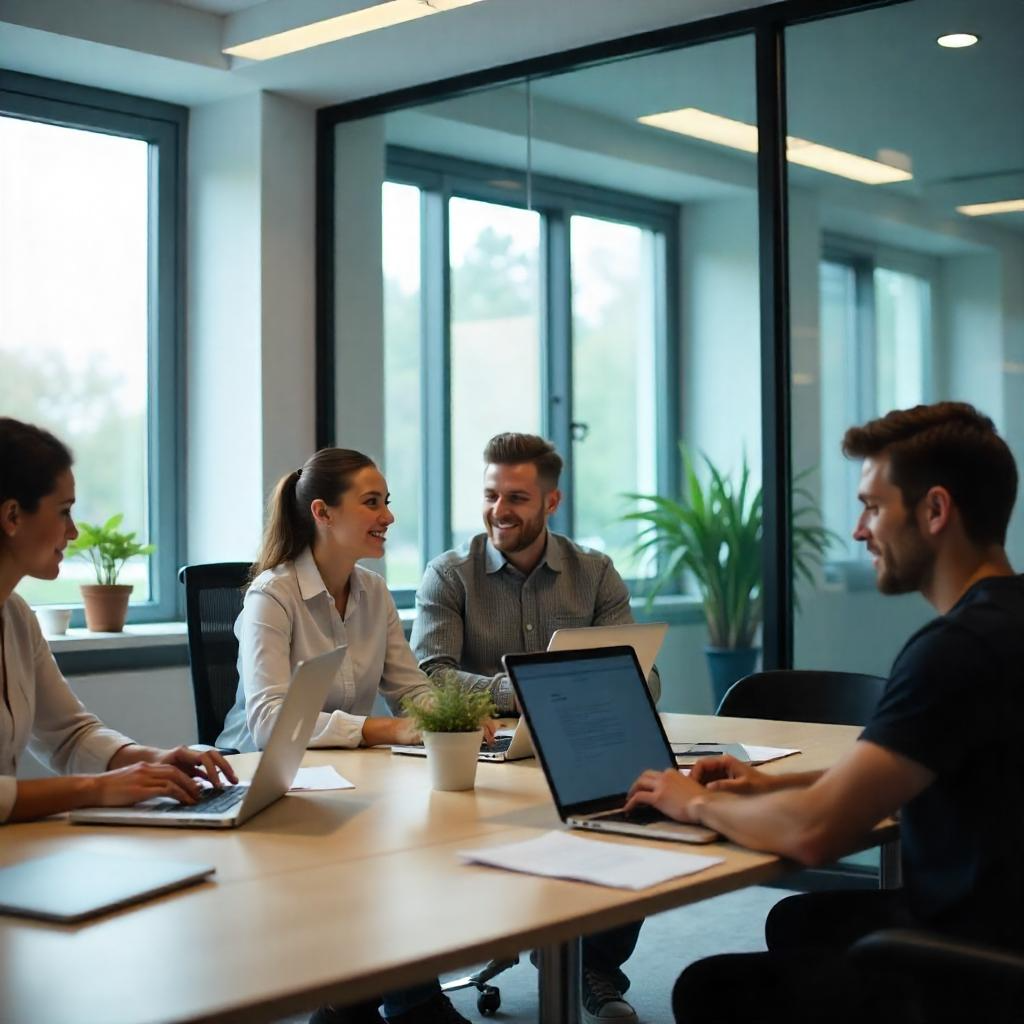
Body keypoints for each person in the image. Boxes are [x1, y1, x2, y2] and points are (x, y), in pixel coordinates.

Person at [625, 402, 1024, 1023]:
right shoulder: (1006, 621)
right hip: (1002, 915)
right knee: (799, 919)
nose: (859, 531)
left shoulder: (954, 651)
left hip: (977, 964)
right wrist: (768, 783)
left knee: (708, 989)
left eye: (872, 505)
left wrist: (693, 802)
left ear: (935, 510)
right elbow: (913, 766)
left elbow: (816, 833)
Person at [217, 446, 473, 1024]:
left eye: (388, 503)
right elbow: (269, 720)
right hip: (259, 776)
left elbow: (411, 688)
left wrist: (452, 717)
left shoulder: (374, 593)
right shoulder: (272, 596)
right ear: (323, 513)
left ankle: (386, 998)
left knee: (422, 829)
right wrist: (380, 728)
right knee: (384, 841)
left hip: (341, 775)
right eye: (372, 502)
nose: (388, 516)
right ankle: (398, 1001)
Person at [411, 431, 658, 1024]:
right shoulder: (449, 575)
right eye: (491, 494)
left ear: (552, 503)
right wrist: (526, 691)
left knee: (644, 805)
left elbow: (641, 679)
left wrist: (559, 694)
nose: (500, 510)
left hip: (576, 745)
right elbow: (430, 679)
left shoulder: (593, 573)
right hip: (483, 755)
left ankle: (593, 961)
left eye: (517, 498)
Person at [0, 417, 237, 825]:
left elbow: (71, 736)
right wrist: (96, 788)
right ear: (12, 516)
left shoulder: (17, 616)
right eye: (64, 512)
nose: (73, 532)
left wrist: (153, 760)